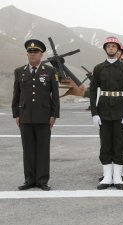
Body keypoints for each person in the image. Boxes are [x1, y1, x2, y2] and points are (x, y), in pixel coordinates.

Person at [12, 39, 60, 191]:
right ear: (27, 54)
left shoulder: (50, 71)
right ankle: (29, 180)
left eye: (36, 52)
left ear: (41, 54)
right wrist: (16, 114)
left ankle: (42, 180)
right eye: (30, 52)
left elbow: (55, 96)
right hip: (25, 116)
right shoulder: (20, 71)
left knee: (43, 149)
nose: (32, 54)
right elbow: (16, 94)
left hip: (44, 116)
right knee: (28, 150)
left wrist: (54, 115)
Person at [90, 37, 123, 190]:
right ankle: (107, 177)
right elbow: (92, 91)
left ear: (117, 49)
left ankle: (117, 177)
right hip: (103, 110)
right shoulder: (98, 68)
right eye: (108, 46)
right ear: (105, 49)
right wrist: (94, 113)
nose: (110, 48)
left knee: (119, 144)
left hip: (120, 110)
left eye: (113, 46)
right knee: (105, 144)